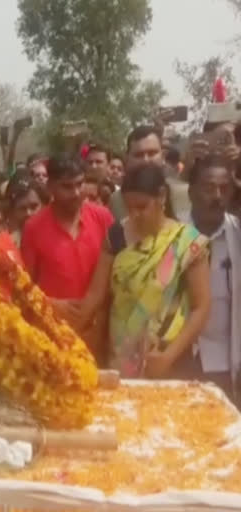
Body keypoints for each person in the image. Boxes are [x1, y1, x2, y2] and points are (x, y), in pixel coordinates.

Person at [79, 163, 210, 378]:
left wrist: (168, 356)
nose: (135, 215)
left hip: (170, 361)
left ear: (161, 197)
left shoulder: (187, 243)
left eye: (142, 207)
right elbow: (95, 297)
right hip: (120, 359)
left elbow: (201, 307)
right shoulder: (116, 236)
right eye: (129, 208)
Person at [21, 156, 114, 332]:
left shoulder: (103, 218)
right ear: (50, 187)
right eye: (67, 187)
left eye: (80, 184)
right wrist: (53, 304)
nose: (76, 192)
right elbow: (24, 284)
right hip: (55, 330)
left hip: (99, 329)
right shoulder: (34, 227)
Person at [180, 156, 241, 401]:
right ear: (191, 192)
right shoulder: (173, 236)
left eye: (224, 189)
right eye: (208, 188)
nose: (217, 196)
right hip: (183, 359)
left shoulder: (238, 235)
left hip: (227, 361)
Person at [109, 125, 191, 221]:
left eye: (152, 153)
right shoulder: (116, 201)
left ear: (162, 155)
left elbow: (194, 233)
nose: (146, 160)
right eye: (138, 155)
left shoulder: (184, 194)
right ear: (127, 159)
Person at [4, 177, 43, 247]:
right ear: (12, 211)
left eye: (34, 207)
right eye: (22, 208)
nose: (29, 213)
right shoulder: (7, 245)